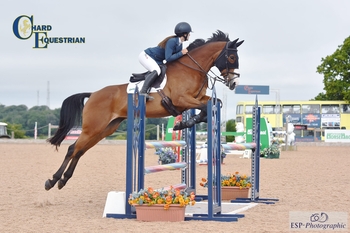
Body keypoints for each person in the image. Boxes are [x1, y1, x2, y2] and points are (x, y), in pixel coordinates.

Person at [138, 22, 192, 100]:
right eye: (189, 33)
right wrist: (181, 53)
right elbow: (168, 58)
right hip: (146, 56)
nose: (189, 35)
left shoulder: (180, 44)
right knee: (156, 70)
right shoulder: (172, 41)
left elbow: (176, 58)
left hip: (157, 60)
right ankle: (143, 92)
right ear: (185, 34)